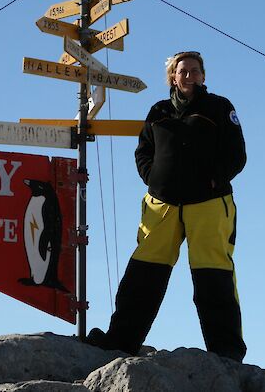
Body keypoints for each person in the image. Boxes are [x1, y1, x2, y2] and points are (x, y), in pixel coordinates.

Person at [86, 50, 247, 362]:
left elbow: (236, 153)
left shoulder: (219, 107)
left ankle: (226, 352)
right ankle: (119, 342)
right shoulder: (158, 110)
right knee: (142, 277)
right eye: (182, 70)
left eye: (194, 70)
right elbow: (143, 151)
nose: (188, 75)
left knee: (214, 277)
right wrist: (153, 180)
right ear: (173, 76)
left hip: (209, 205)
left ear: (203, 76)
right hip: (162, 206)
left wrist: (214, 180)